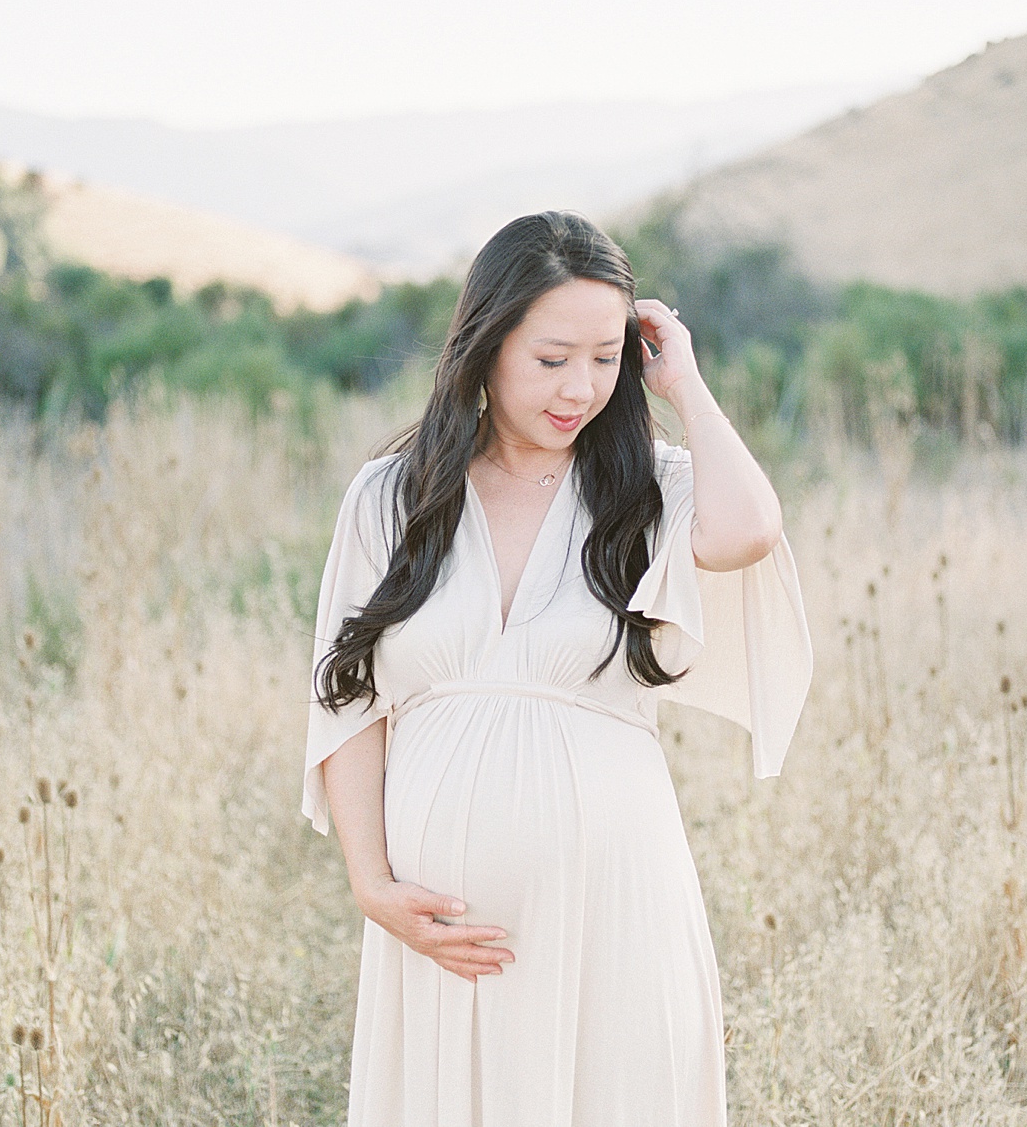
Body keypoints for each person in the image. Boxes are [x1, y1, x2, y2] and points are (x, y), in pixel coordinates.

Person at [302, 210, 813, 1126]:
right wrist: (371, 883)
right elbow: (351, 701)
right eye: (551, 359)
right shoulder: (392, 496)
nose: (581, 387)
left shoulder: (645, 491)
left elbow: (749, 530)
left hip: (614, 903)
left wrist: (685, 381)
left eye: (607, 356)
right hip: (450, 931)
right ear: (485, 345)